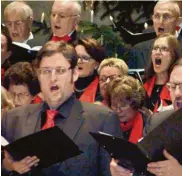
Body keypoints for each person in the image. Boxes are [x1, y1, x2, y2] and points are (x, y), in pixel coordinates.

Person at [2, 41, 122, 176]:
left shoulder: (102, 120)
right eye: (46, 71)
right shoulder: (13, 118)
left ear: (74, 74)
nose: (52, 78)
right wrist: (8, 167)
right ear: (38, 75)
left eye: (60, 71)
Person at [133, 0, 182, 68]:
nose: (160, 21)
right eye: (157, 16)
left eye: (166, 17)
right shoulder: (139, 50)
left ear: (178, 21)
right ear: (153, 19)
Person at [144, 33, 182, 112]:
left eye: (164, 49)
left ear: (173, 56)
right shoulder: (143, 84)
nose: (158, 52)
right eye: (155, 48)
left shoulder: (179, 88)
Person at [106, 76, 149, 143]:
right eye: (114, 105)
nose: (118, 110)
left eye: (123, 105)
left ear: (135, 103)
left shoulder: (148, 126)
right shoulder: (105, 123)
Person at [72, 37, 106, 102]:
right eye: (76, 57)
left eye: (85, 58)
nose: (78, 61)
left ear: (96, 65)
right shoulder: (62, 84)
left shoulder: (102, 92)